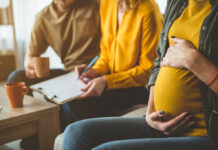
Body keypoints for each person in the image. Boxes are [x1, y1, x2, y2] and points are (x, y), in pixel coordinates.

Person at [62, 0, 218, 149]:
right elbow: (159, 62)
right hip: (161, 121)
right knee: (74, 133)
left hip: (206, 132)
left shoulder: (147, 9)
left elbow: (147, 68)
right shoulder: (177, 3)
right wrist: (150, 112)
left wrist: (194, 60)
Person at [7, 0, 100, 149]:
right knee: (16, 77)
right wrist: (29, 64)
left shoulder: (96, 6)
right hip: (68, 72)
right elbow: (31, 54)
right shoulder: (43, 17)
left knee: (67, 98)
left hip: (94, 71)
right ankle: (32, 139)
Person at [62, 0, 163, 125]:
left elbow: (148, 71)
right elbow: (106, 54)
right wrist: (96, 70)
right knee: (68, 99)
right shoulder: (107, 3)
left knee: (75, 104)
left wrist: (107, 81)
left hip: (139, 87)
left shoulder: (148, 10)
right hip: (113, 80)